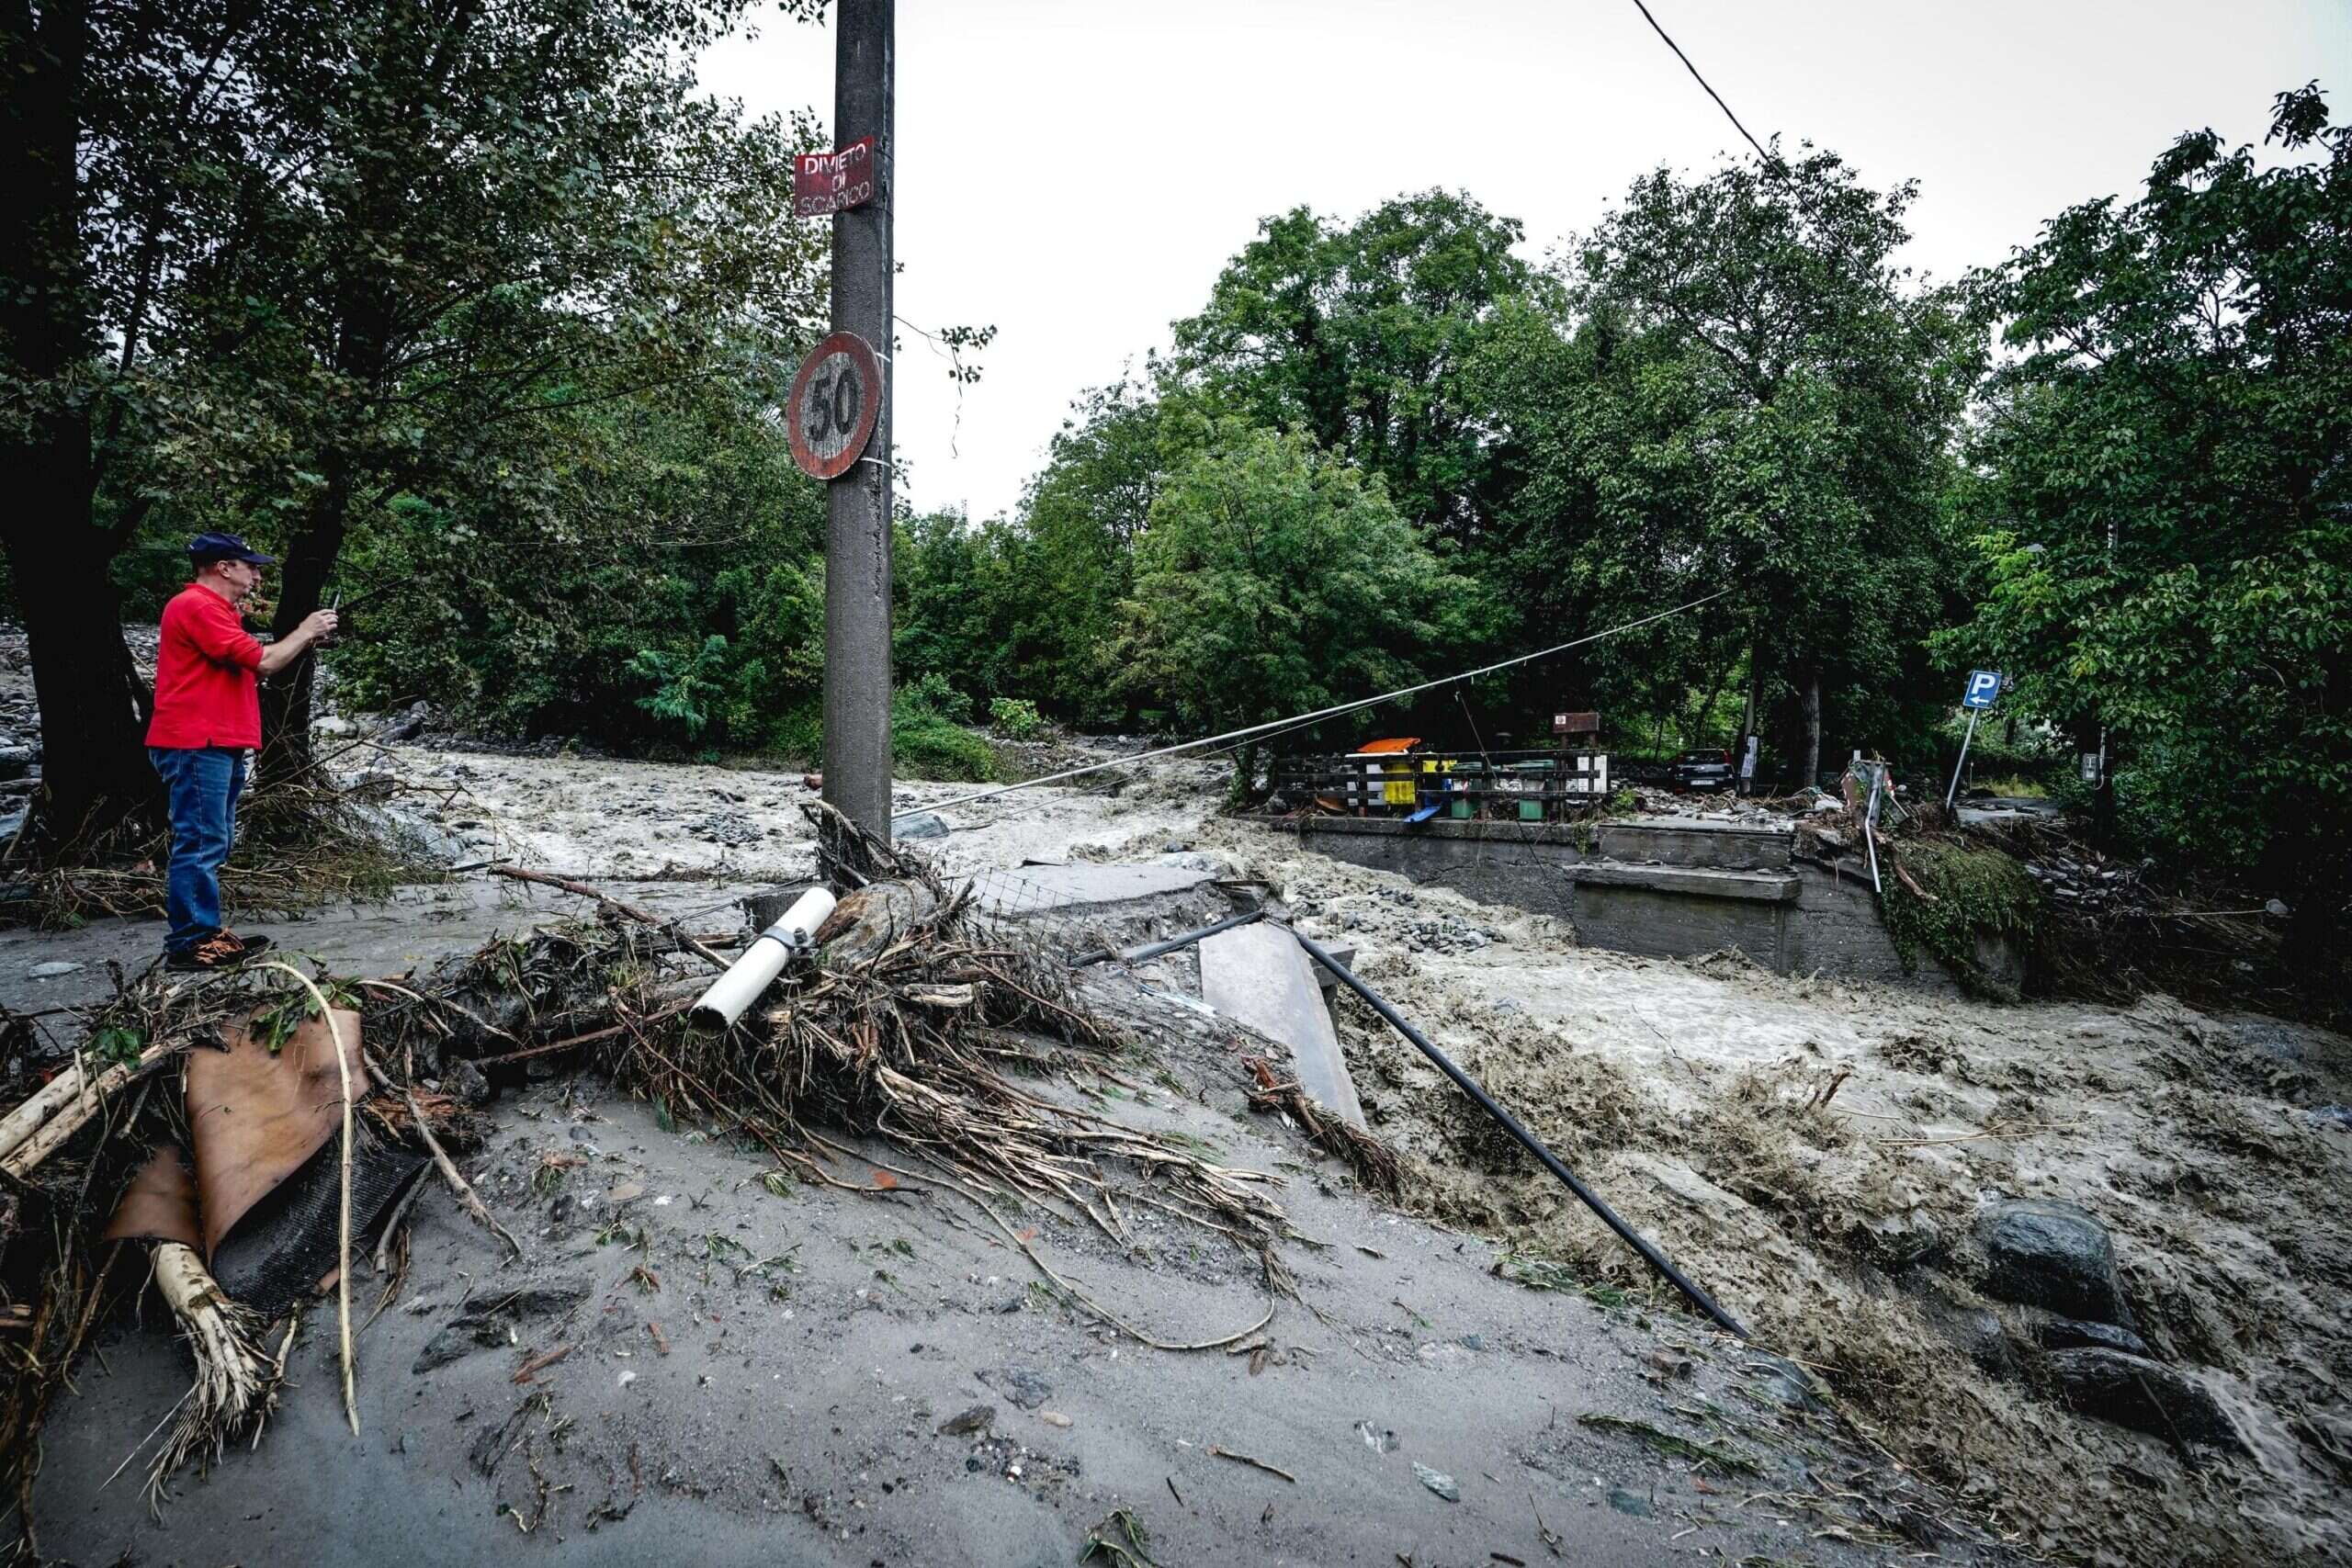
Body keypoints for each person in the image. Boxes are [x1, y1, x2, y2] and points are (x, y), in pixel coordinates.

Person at [145, 533, 338, 971]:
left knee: (213, 839)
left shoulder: (218, 611)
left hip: (216, 741)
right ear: (223, 567)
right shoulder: (195, 606)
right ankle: (191, 943)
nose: (257, 573)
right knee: (201, 841)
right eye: (249, 565)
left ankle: (204, 933)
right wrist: (306, 630)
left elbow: (250, 661)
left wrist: (304, 641)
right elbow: (264, 662)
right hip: (197, 741)